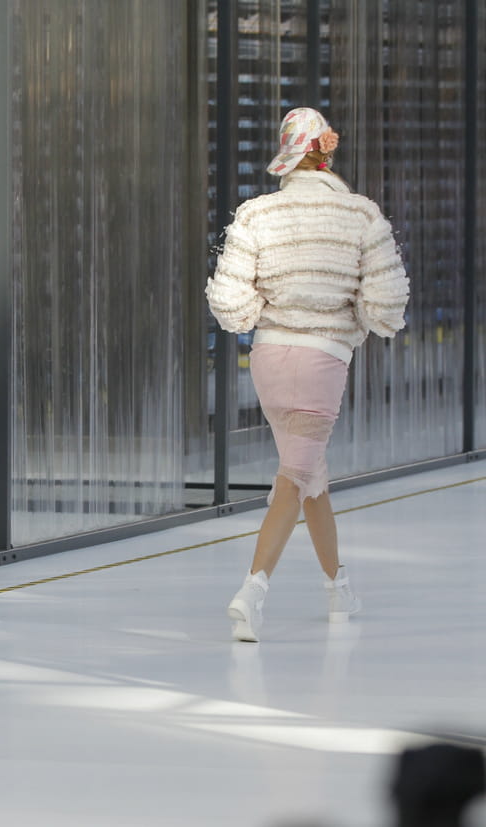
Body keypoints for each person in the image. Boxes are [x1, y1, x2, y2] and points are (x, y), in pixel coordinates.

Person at [206, 107, 408, 642]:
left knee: (311, 476)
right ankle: (251, 592)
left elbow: (229, 303)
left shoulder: (255, 214)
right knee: (295, 476)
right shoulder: (360, 215)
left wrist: (269, 313)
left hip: (269, 358)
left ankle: (338, 587)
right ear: (327, 150)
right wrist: (352, 317)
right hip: (322, 360)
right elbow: (387, 306)